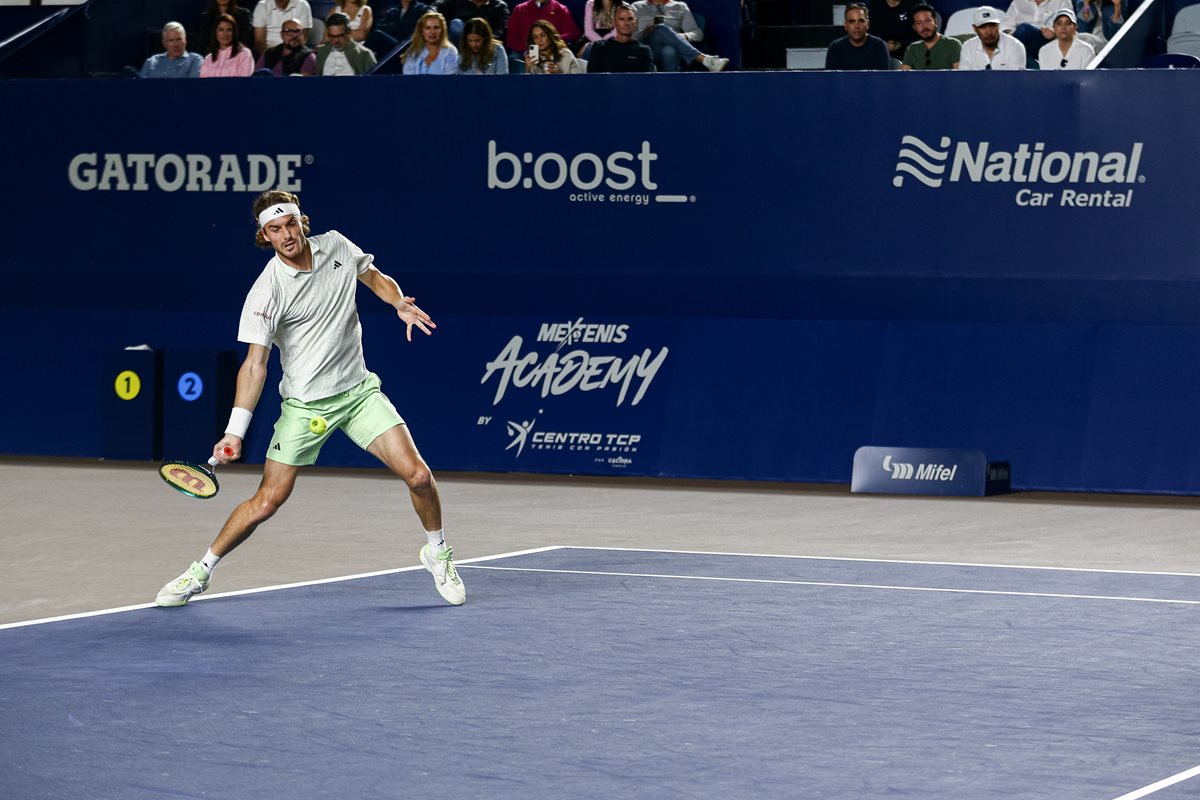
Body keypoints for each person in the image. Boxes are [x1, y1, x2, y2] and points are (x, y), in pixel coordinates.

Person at [155, 190, 465, 610]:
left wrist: (398, 304)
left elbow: (373, 275)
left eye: (290, 224)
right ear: (264, 236)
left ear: (302, 222)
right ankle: (200, 571)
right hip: (305, 407)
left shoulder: (336, 245)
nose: (286, 235)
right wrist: (234, 432)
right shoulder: (266, 292)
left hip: (358, 394)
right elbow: (254, 366)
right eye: (275, 229)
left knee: (420, 477)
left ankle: (437, 552)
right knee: (267, 502)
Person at [631, 0, 729, 71]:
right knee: (660, 29)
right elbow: (630, 36)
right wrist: (644, 32)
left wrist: (680, 37)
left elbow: (698, 34)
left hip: (675, 49)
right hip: (647, 49)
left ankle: (671, 87)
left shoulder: (680, 6)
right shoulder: (636, 7)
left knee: (669, 51)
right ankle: (704, 59)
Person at [586, 3, 655, 71]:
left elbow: (648, 78)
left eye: (630, 19)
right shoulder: (599, 47)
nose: (626, 23)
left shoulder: (643, 50)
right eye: (622, 19)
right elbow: (592, 76)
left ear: (635, 23)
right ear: (614, 22)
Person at [825, 2, 891, 70]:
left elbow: (881, 76)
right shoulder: (835, 48)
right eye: (852, 21)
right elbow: (831, 76)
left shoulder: (879, 46)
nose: (857, 26)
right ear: (845, 25)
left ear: (867, 24)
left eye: (861, 21)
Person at [958, 5, 1026, 69]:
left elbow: (1015, 77)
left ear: (998, 25)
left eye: (992, 25)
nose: (989, 32)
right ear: (975, 28)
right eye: (983, 27)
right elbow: (964, 77)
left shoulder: (1015, 46)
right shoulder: (968, 48)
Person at [1000, 0, 1072, 57]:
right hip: (1021, 42)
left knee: (1024, 29)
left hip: (1049, 43)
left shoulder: (1062, 1)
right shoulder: (1018, 2)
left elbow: (1070, 26)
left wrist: (1054, 34)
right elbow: (1005, 25)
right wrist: (1009, 34)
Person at [900, 2, 960, 69]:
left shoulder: (953, 44)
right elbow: (902, 74)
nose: (924, 26)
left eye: (928, 21)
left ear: (935, 22)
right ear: (914, 27)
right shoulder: (913, 49)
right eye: (919, 23)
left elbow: (959, 74)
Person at [507, 0, 580, 54]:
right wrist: (525, 50)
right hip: (524, 53)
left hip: (554, 52)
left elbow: (573, 33)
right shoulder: (519, 9)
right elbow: (511, 37)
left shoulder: (561, 9)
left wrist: (553, 39)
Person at [138, 22, 203, 78]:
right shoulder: (151, 62)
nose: (176, 44)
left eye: (179, 39)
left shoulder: (194, 60)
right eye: (171, 40)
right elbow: (140, 86)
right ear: (164, 43)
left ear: (185, 40)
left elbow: (193, 86)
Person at [438, 0, 510, 45]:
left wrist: (482, 40)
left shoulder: (499, 6)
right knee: (456, 24)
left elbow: (501, 29)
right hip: (461, 46)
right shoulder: (456, 2)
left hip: (486, 45)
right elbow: (436, 5)